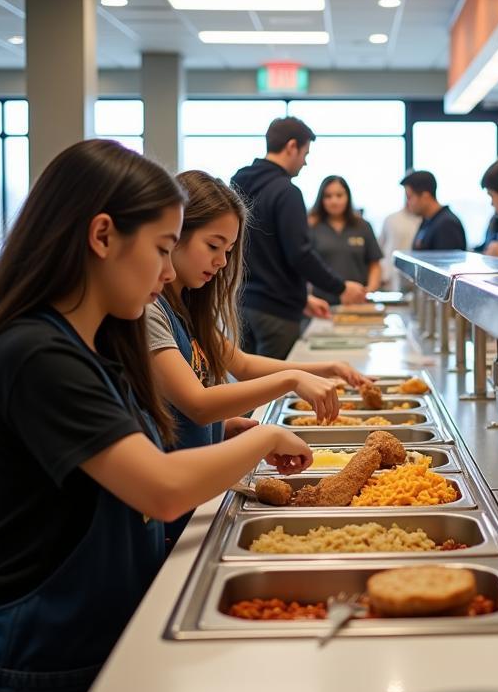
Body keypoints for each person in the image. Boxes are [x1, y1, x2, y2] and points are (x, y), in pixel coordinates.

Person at [0, 140, 314, 692]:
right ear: (102, 235)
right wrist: (266, 439)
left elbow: (159, 448)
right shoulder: (38, 353)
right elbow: (162, 489)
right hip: (30, 672)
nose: (168, 271)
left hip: (83, 645)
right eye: (163, 247)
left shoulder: (92, 342)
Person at [145, 171, 369, 545]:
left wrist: (322, 369)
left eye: (229, 251)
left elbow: (242, 364)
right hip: (175, 512)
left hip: (199, 495)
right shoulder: (153, 312)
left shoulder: (187, 307)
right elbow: (198, 404)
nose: (220, 261)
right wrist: (289, 385)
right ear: (175, 235)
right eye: (213, 245)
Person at [231, 117, 366, 359]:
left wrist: (302, 299)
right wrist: (341, 287)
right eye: (305, 153)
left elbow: (263, 252)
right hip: (276, 313)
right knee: (276, 389)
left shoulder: (238, 183)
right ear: (292, 146)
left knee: (250, 389)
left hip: (242, 306)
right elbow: (299, 254)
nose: (305, 162)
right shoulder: (287, 191)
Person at [307, 175, 382, 304]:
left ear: (347, 197)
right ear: (321, 199)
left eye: (339, 195)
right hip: (323, 304)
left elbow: (375, 265)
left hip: (358, 303)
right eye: (328, 196)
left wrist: (369, 292)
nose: (334, 201)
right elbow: (304, 266)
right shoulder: (312, 227)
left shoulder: (362, 226)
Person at [402, 170, 467, 251]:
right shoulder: (428, 221)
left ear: (425, 196)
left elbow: (445, 262)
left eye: (409, 197)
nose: (408, 203)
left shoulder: (447, 225)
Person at [378, 199, 421, 291]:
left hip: (413, 277)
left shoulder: (423, 220)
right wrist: (383, 274)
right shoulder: (391, 219)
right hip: (390, 275)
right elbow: (380, 247)